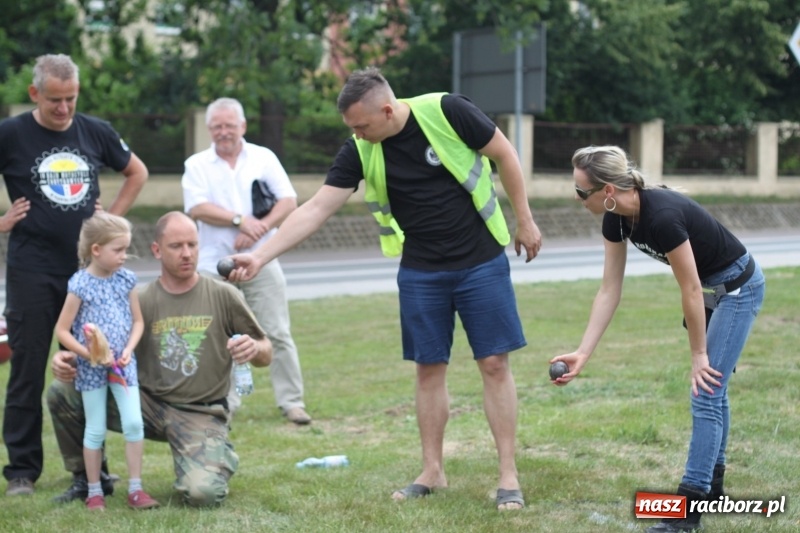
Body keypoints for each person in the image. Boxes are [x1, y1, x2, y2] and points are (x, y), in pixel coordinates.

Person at [228, 67, 542, 510]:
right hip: (420, 270)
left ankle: (508, 474)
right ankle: (432, 470)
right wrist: (260, 255)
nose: (357, 134)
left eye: (362, 125)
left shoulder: (448, 111)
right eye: (352, 128)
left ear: (388, 109)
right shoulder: (360, 148)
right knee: (428, 368)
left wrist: (525, 219)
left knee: (493, 363)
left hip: (480, 260)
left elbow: (505, 155)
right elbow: (317, 207)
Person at [552, 145, 765, 532]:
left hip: (736, 289)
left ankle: (688, 511)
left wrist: (698, 353)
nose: (578, 198)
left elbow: (691, 289)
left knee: (705, 391)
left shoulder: (663, 216)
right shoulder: (615, 219)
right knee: (714, 391)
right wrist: (584, 351)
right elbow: (608, 290)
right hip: (710, 291)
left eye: (583, 192)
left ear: (608, 191)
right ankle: (714, 487)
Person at [48, 211, 272, 507]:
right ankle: (87, 478)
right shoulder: (140, 298)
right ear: (156, 250)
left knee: (202, 495)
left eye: (192, 245)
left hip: (199, 412)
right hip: (147, 404)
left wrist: (253, 349)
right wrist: (67, 359)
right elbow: (104, 344)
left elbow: (266, 349)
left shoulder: (223, 294)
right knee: (62, 393)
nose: (187, 253)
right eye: (176, 246)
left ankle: (214, 454)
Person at [0, 53, 148, 497]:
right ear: (34, 94)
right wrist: (2, 222)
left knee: (94, 364)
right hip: (32, 268)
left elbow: (136, 172)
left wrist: (110, 224)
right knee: (26, 367)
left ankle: (93, 470)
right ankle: (22, 472)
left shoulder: (95, 131)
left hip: (87, 271)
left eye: (70, 99)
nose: (63, 109)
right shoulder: (11, 134)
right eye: (54, 100)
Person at [181, 97, 311, 425]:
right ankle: (224, 402)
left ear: (243, 126)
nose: (224, 132)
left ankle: (292, 402)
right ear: (209, 129)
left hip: (262, 259)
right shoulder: (197, 164)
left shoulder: (263, 157)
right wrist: (241, 221)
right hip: (214, 264)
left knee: (277, 331)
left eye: (230, 125)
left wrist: (260, 228)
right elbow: (197, 208)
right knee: (219, 336)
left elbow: (289, 201)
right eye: (217, 126)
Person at [54, 213, 159, 511]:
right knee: (95, 429)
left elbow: (138, 321)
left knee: (134, 423)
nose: (124, 256)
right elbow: (62, 329)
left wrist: (129, 349)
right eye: (118, 250)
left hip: (124, 365)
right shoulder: (80, 285)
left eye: (126, 249)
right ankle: (94, 491)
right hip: (91, 370)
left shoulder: (126, 279)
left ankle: (136, 489)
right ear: (96, 250)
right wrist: (90, 355)